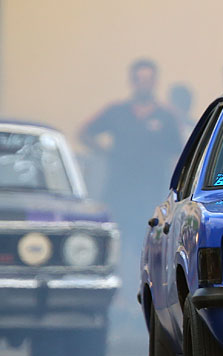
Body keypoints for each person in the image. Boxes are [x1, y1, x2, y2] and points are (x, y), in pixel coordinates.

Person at [79, 58, 181, 311]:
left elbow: (178, 152)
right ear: (132, 81)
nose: (143, 84)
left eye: (148, 79)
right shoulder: (117, 112)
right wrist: (104, 152)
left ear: (155, 82)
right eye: (139, 79)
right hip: (119, 192)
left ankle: (143, 298)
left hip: (150, 193)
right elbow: (85, 131)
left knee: (145, 246)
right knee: (115, 245)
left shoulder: (166, 116)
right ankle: (114, 299)